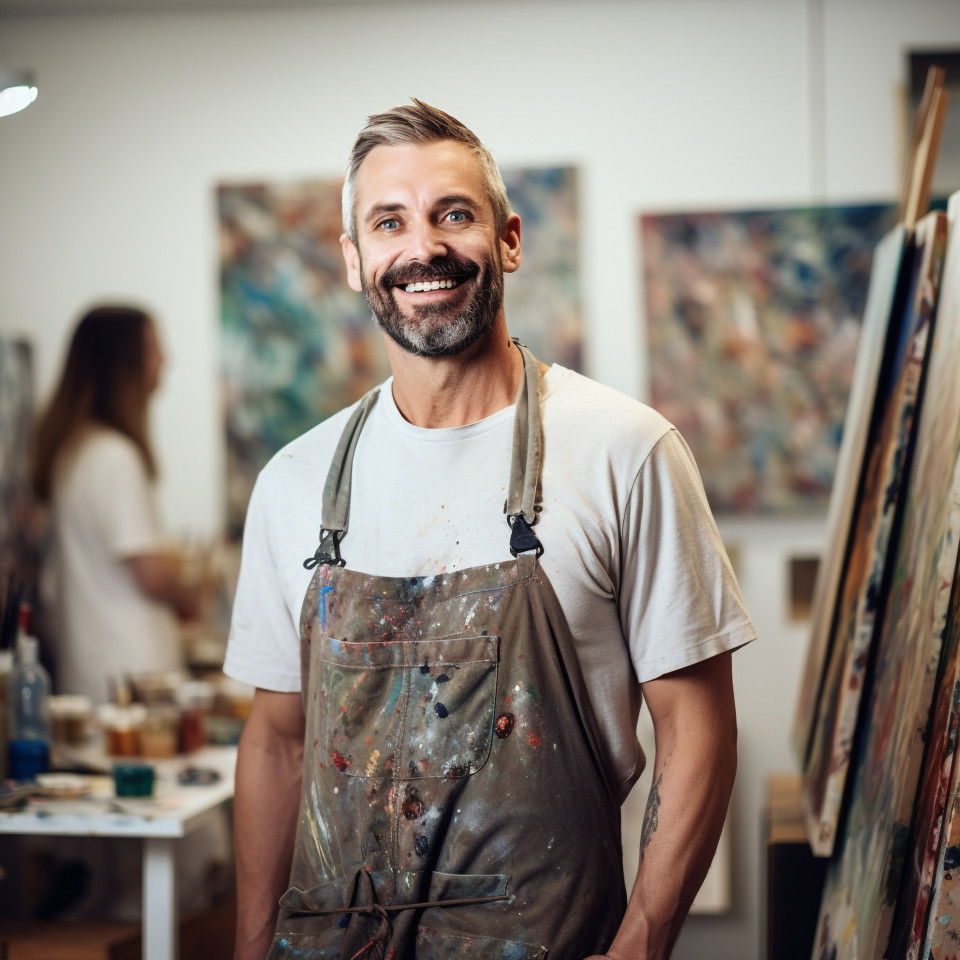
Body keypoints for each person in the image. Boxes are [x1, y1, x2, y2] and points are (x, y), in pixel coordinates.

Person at [224, 100, 756, 960]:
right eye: (389, 222)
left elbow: (697, 728)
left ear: (508, 240)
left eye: (454, 214)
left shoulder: (626, 451)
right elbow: (278, 742)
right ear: (356, 262)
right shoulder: (294, 484)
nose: (423, 247)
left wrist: (643, 943)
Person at [30, 304, 199, 703]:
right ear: (122, 363)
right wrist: (191, 593)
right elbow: (150, 573)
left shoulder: (74, 449)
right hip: (131, 674)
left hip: (92, 666)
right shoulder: (114, 456)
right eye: (153, 349)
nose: (165, 360)